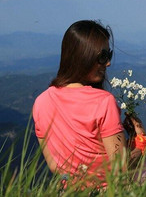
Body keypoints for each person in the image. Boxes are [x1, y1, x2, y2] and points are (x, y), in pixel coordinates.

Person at [32, 20, 128, 188]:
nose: (108, 63)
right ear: (84, 56)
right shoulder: (104, 102)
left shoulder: (41, 102)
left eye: (109, 55)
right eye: (103, 56)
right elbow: (121, 169)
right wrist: (140, 145)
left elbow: (55, 166)